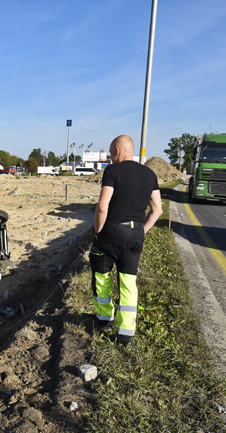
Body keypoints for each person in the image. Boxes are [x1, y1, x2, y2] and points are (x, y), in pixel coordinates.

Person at [90, 135, 163, 345]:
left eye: (111, 152)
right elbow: (157, 209)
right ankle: (125, 335)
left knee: (102, 274)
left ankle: (104, 319)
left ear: (117, 150)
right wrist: (141, 231)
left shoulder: (112, 171)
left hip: (112, 232)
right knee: (128, 283)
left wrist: (97, 231)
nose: (111, 156)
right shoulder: (150, 174)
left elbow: (103, 206)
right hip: (135, 234)